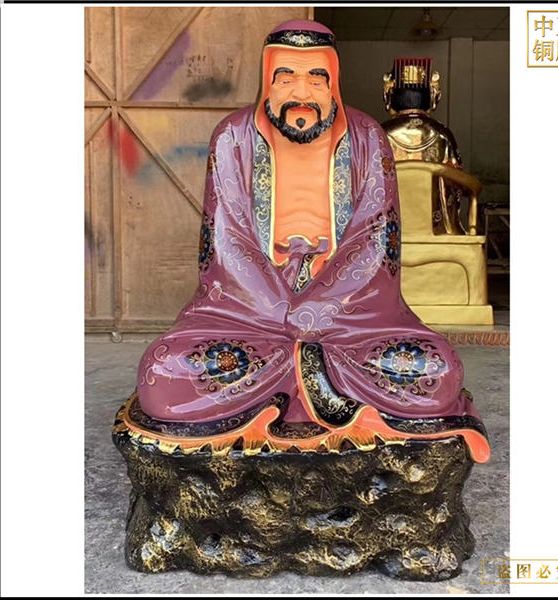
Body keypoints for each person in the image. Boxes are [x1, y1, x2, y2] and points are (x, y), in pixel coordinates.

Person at [133, 21, 489, 462]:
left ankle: (288, 375)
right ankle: (315, 377)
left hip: (351, 318)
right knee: (166, 369)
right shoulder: (233, 136)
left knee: (436, 368)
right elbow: (225, 239)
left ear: (333, 81)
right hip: (248, 316)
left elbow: (378, 237)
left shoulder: (367, 137)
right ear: (266, 79)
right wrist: (282, 311)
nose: (301, 91)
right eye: (286, 77)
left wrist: (321, 307)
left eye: (316, 78)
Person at [382, 58, 466, 235]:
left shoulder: (380, 133)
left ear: (391, 95)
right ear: (431, 96)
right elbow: (458, 182)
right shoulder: (442, 134)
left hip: (389, 226)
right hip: (434, 226)